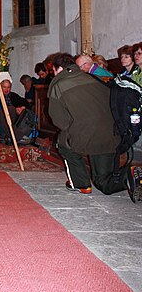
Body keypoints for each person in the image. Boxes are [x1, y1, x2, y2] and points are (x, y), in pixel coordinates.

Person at [48, 52, 129, 197]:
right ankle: (130, 175)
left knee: (62, 141)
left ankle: (81, 184)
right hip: (112, 135)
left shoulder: (58, 85)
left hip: (87, 135)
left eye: (53, 70)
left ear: (59, 69)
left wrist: (74, 130)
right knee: (104, 183)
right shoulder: (94, 78)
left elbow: (59, 122)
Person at [0, 78, 29, 144]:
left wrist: (22, 108)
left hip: (13, 117)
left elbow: (26, 103)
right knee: (6, 111)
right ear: (0, 87)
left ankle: (6, 136)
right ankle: (17, 136)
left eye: (8, 87)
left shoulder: (14, 96)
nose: (6, 89)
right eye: (4, 87)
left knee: (13, 109)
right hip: (1, 116)